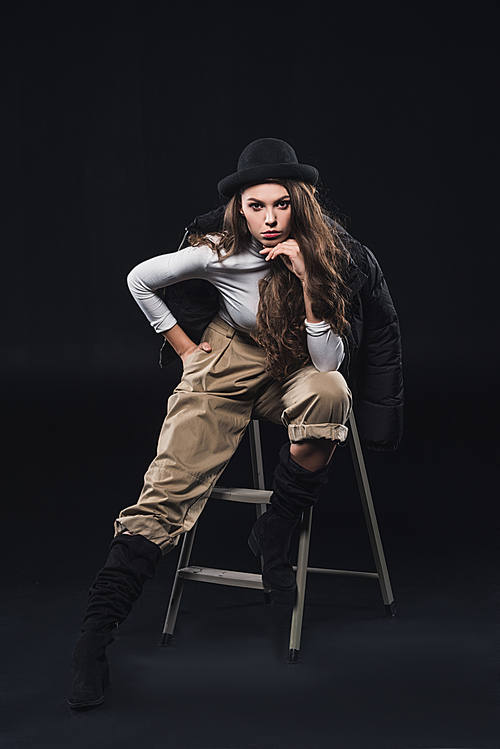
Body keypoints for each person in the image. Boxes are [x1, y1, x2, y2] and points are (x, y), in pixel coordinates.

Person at [67, 138, 403, 709]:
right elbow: (140, 280)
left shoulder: (335, 257)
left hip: (299, 360)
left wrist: (308, 285)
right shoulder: (219, 251)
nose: (269, 220)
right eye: (255, 206)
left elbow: (326, 363)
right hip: (228, 359)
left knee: (331, 392)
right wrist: (184, 349)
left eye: (281, 205)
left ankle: (274, 530)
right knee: (166, 490)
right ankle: (93, 639)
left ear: (302, 203)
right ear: (238, 208)